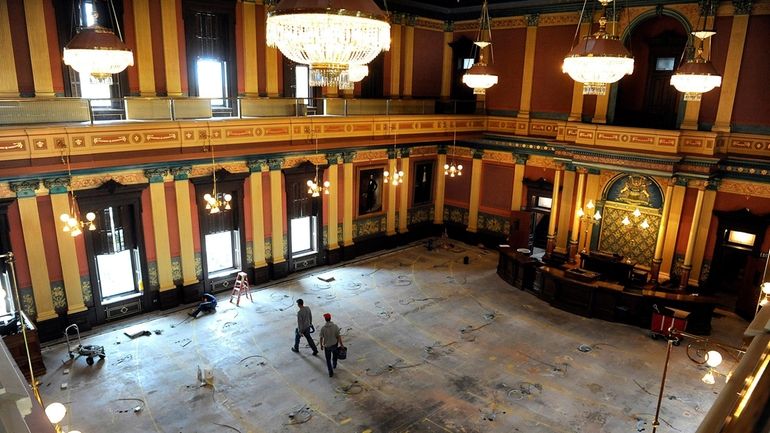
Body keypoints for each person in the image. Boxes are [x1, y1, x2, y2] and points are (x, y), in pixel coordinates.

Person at [319, 313, 343, 377]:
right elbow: (338, 336)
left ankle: (330, 372)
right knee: (335, 355)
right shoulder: (335, 326)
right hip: (334, 345)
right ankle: (334, 364)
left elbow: (321, 338)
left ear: (325, 319)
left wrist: (321, 345)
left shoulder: (323, 328)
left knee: (328, 359)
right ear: (330, 318)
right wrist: (341, 345)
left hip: (327, 346)